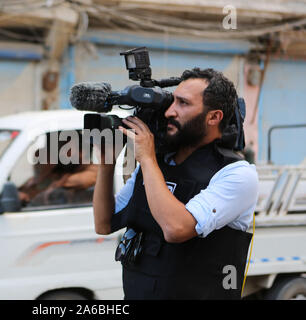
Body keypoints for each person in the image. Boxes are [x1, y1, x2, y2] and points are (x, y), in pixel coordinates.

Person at [92, 68, 258, 300]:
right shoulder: (156, 165)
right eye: (172, 101)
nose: (170, 111)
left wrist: (148, 159)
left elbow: (176, 229)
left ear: (213, 117)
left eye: (183, 103)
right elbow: (103, 223)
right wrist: (106, 163)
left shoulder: (236, 174)